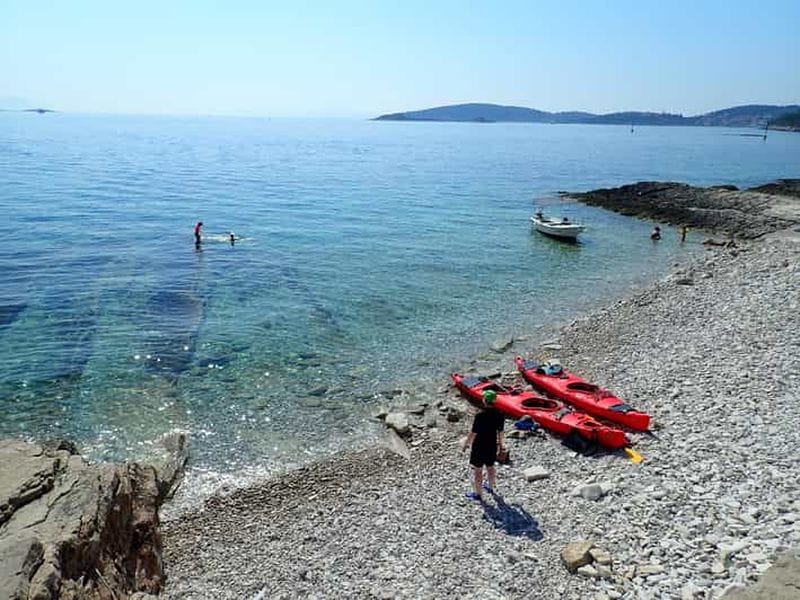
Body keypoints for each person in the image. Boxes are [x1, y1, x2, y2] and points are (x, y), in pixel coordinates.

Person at [461, 389, 505, 501]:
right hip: (492, 445)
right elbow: (500, 432)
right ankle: (490, 487)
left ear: (484, 400)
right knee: (490, 467)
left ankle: (478, 494)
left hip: (479, 446)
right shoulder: (500, 414)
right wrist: (501, 446)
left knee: (478, 470)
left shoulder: (480, 416)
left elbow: (473, 433)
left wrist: (466, 444)